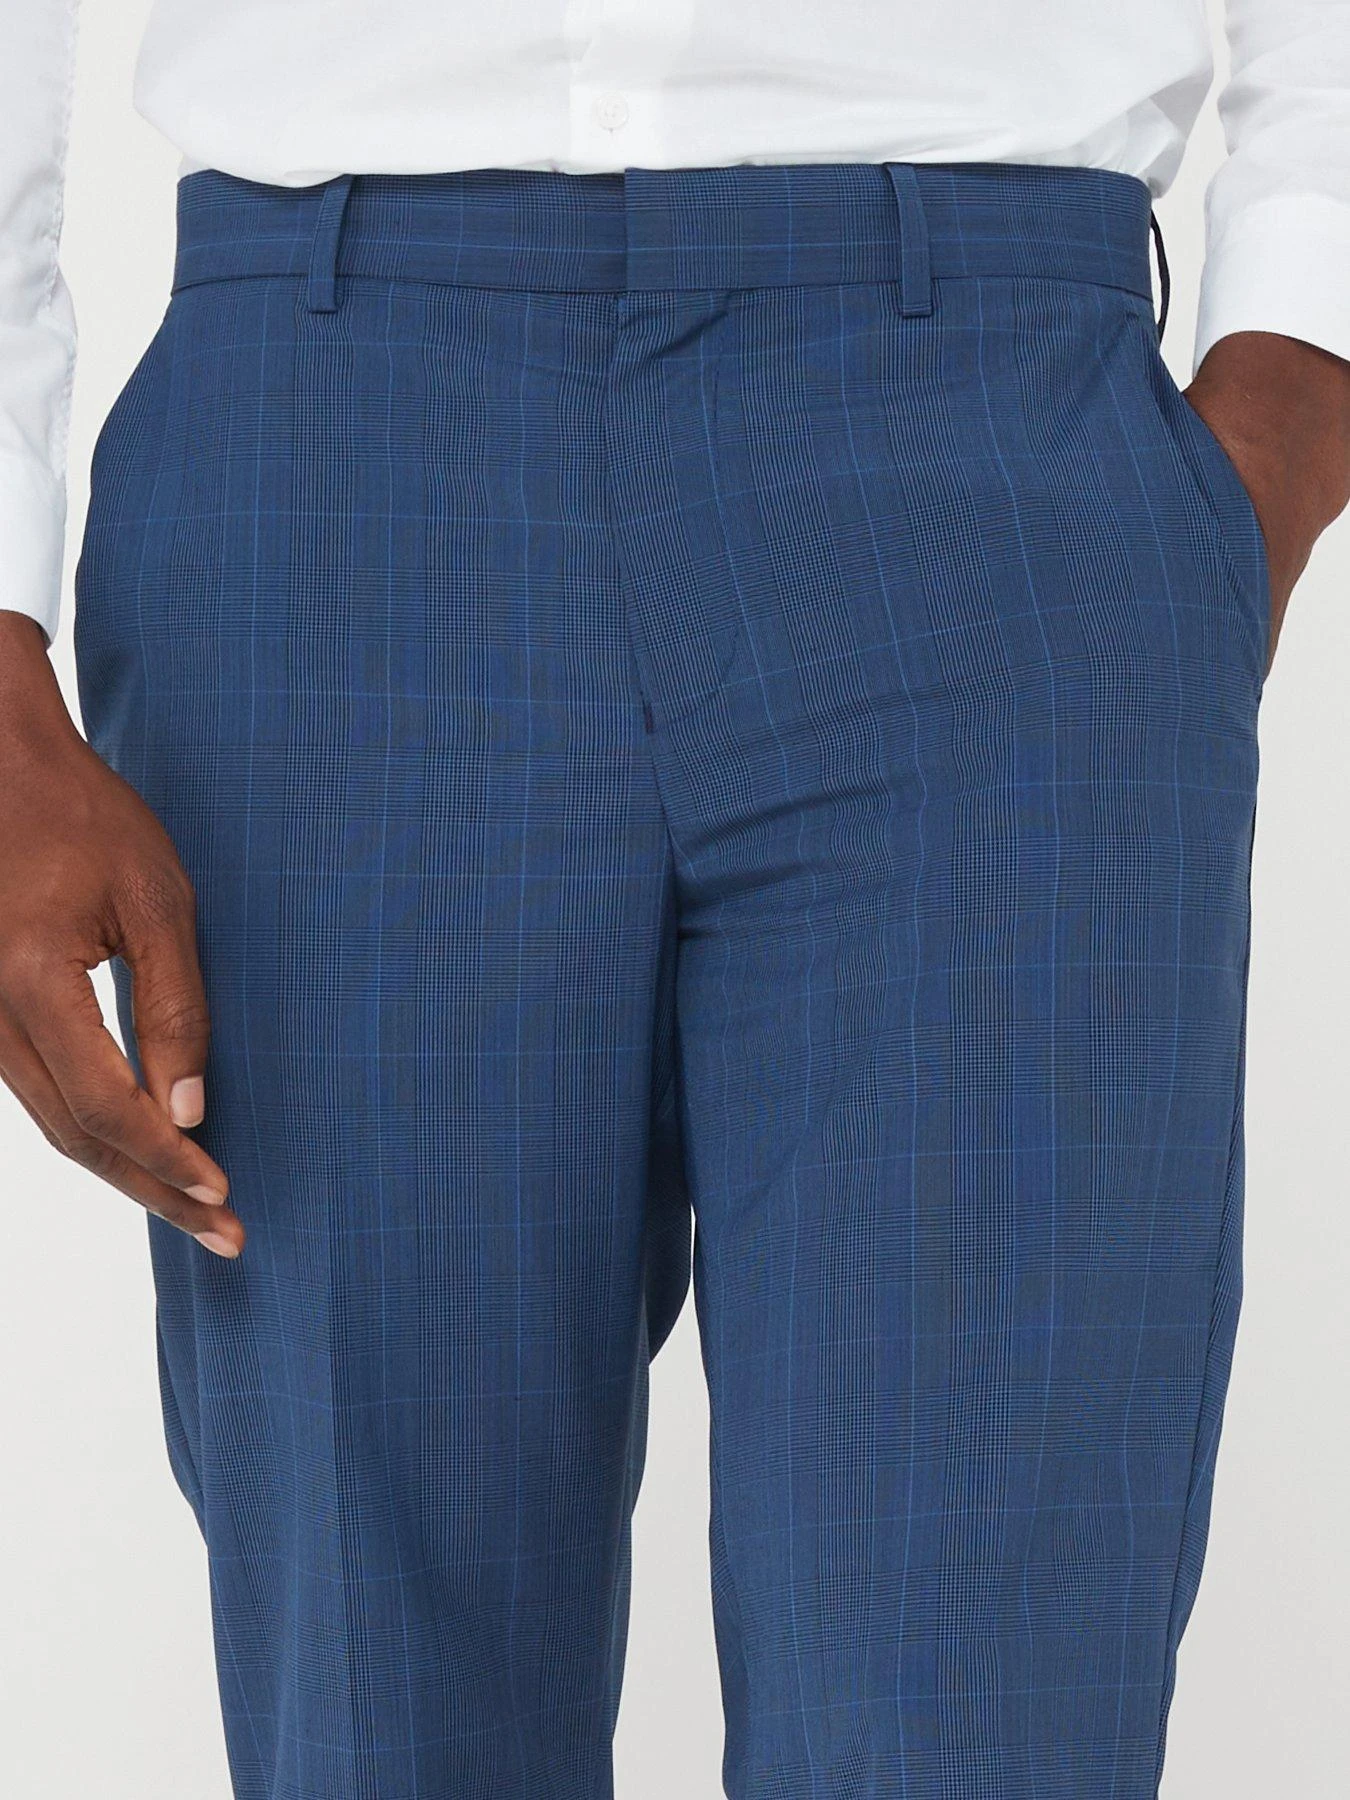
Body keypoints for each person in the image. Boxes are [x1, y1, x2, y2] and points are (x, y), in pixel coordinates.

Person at [2, 3, 1348, 1796]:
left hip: (997, 430)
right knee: (378, 1714)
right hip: (331, 440)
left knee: (972, 1713)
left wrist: (1300, 355)